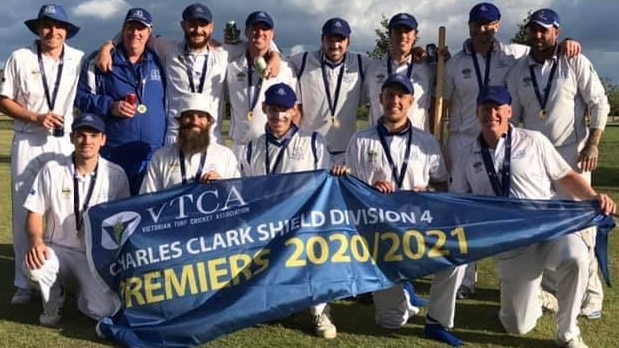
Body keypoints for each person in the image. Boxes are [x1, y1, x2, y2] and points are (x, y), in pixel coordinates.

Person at [450, 85, 615, 348]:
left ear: (509, 111)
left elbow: (566, 176)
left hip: (550, 230)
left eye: (497, 108)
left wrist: (593, 197)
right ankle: (536, 297)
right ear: (477, 111)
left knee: (577, 258)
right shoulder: (466, 155)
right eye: (486, 108)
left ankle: (568, 333)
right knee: (517, 326)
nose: (491, 113)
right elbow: (459, 200)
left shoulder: (534, 140)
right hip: (511, 243)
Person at [444, 2, 582, 300]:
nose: (482, 29)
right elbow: (440, 100)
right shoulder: (455, 63)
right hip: (465, 140)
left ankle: (539, 282)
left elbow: (545, 47)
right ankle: (466, 280)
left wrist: (567, 43)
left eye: (488, 24)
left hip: (505, 142)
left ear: (498, 26)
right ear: (469, 26)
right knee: (466, 211)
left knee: (523, 206)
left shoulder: (515, 54)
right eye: (477, 23)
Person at [332, 75, 464, 345]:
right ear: (380, 100)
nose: (395, 101)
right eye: (389, 95)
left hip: (419, 228)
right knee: (390, 322)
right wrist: (366, 187)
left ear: (410, 102)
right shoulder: (361, 139)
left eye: (401, 96)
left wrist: (426, 193)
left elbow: (441, 185)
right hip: (382, 236)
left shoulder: (426, 142)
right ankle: (404, 291)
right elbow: (352, 189)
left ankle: (437, 321)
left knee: (458, 254)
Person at [506, 8, 610, 320]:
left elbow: (599, 102)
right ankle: (553, 291)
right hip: (536, 158)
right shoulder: (518, 69)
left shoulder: (573, 59)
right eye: (533, 30)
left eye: (544, 31)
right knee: (544, 225)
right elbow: (514, 116)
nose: (538, 36)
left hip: (572, 154)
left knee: (583, 226)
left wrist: (592, 143)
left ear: (557, 32)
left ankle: (590, 297)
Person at [94, 3, 282, 146]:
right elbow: (137, 34)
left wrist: (275, 54)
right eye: (192, 24)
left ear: (211, 27)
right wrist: (108, 46)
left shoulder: (223, 51)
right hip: (174, 137)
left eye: (203, 25)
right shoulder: (168, 48)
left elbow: (257, 42)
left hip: (211, 137)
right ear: (183, 25)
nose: (198, 30)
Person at [0, 4, 83, 306]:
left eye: (58, 26)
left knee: (62, 209)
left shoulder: (77, 58)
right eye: (46, 25)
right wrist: (35, 117)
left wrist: (109, 46)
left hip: (63, 143)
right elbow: (3, 100)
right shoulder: (20, 57)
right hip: (28, 139)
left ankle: (60, 276)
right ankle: (24, 281)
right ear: (38, 28)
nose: (52, 31)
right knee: (25, 210)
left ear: (66, 31)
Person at [240, 83, 332, 338]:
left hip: (304, 220)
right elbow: (247, 190)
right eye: (272, 109)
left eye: (284, 110)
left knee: (315, 252)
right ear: (263, 108)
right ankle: (269, 303)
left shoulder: (313, 142)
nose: (277, 116)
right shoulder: (251, 147)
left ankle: (320, 313)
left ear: (294, 111)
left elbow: (324, 184)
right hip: (266, 223)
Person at [22, 113, 130, 327]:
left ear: (103, 140)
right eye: (81, 135)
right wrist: (36, 242)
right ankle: (55, 298)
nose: (87, 141)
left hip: (93, 256)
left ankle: (84, 295)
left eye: (93, 135)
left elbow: (123, 220)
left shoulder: (116, 174)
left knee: (105, 311)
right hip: (57, 249)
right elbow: (34, 212)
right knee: (35, 268)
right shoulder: (52, 170)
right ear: (72, 138)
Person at [75, 8, 166, 195]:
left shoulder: (160, 59)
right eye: (130, 27)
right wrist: (110, 106)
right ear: (123, 30)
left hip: (152, 154)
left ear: (149, 32)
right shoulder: (98, 61)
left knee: (149, 217)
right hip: (114, 154)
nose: (135, 33)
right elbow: (81, 97)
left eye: (141, 29)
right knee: (115, 216)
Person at [289, 17, 367, 165]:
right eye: (330, 39)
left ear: (348, 41)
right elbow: (277, 60)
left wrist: (416, 51)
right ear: (322, 39)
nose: (335, 45)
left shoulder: (361, 63)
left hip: (345, 153)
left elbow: (388, 63)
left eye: (340, 40)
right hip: (309, 150)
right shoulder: (302, 61)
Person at [226, 10, 298, 160]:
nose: (259, 32)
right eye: (254, 28)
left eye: (264, 29)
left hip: (271, 147)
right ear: (246, 32)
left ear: (272, 34)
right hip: (239, 148)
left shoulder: (285, 68)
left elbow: (296, 110)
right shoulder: (232, 66)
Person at [140, 95, 240, 193]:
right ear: (179, 121)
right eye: (189, 116)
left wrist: (223, 185)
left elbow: (238, 197)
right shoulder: (161, 157)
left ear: (209, 122)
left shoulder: (225, 156)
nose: (195, 121)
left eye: (200, 116)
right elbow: (147, 198)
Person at [364, 13, 434, 131]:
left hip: (415, 144)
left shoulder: (429, 68)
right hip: (377, 142)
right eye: (397, 31)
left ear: (415, 35)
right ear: (390, 35)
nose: (402, 35)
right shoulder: (371, 68)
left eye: (407, 31)